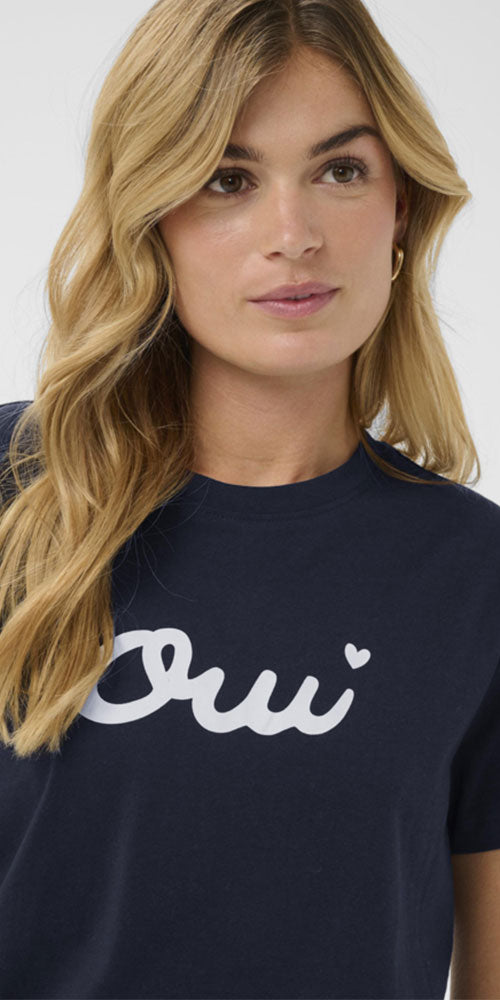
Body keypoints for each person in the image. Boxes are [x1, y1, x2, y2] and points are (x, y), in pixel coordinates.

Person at [0, 1, 498, 998]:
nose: (293, 235)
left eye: (340, 171)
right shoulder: (17, 488)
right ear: (150, 216)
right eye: (228, 179)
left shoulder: (473, 572)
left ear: (401, 209)